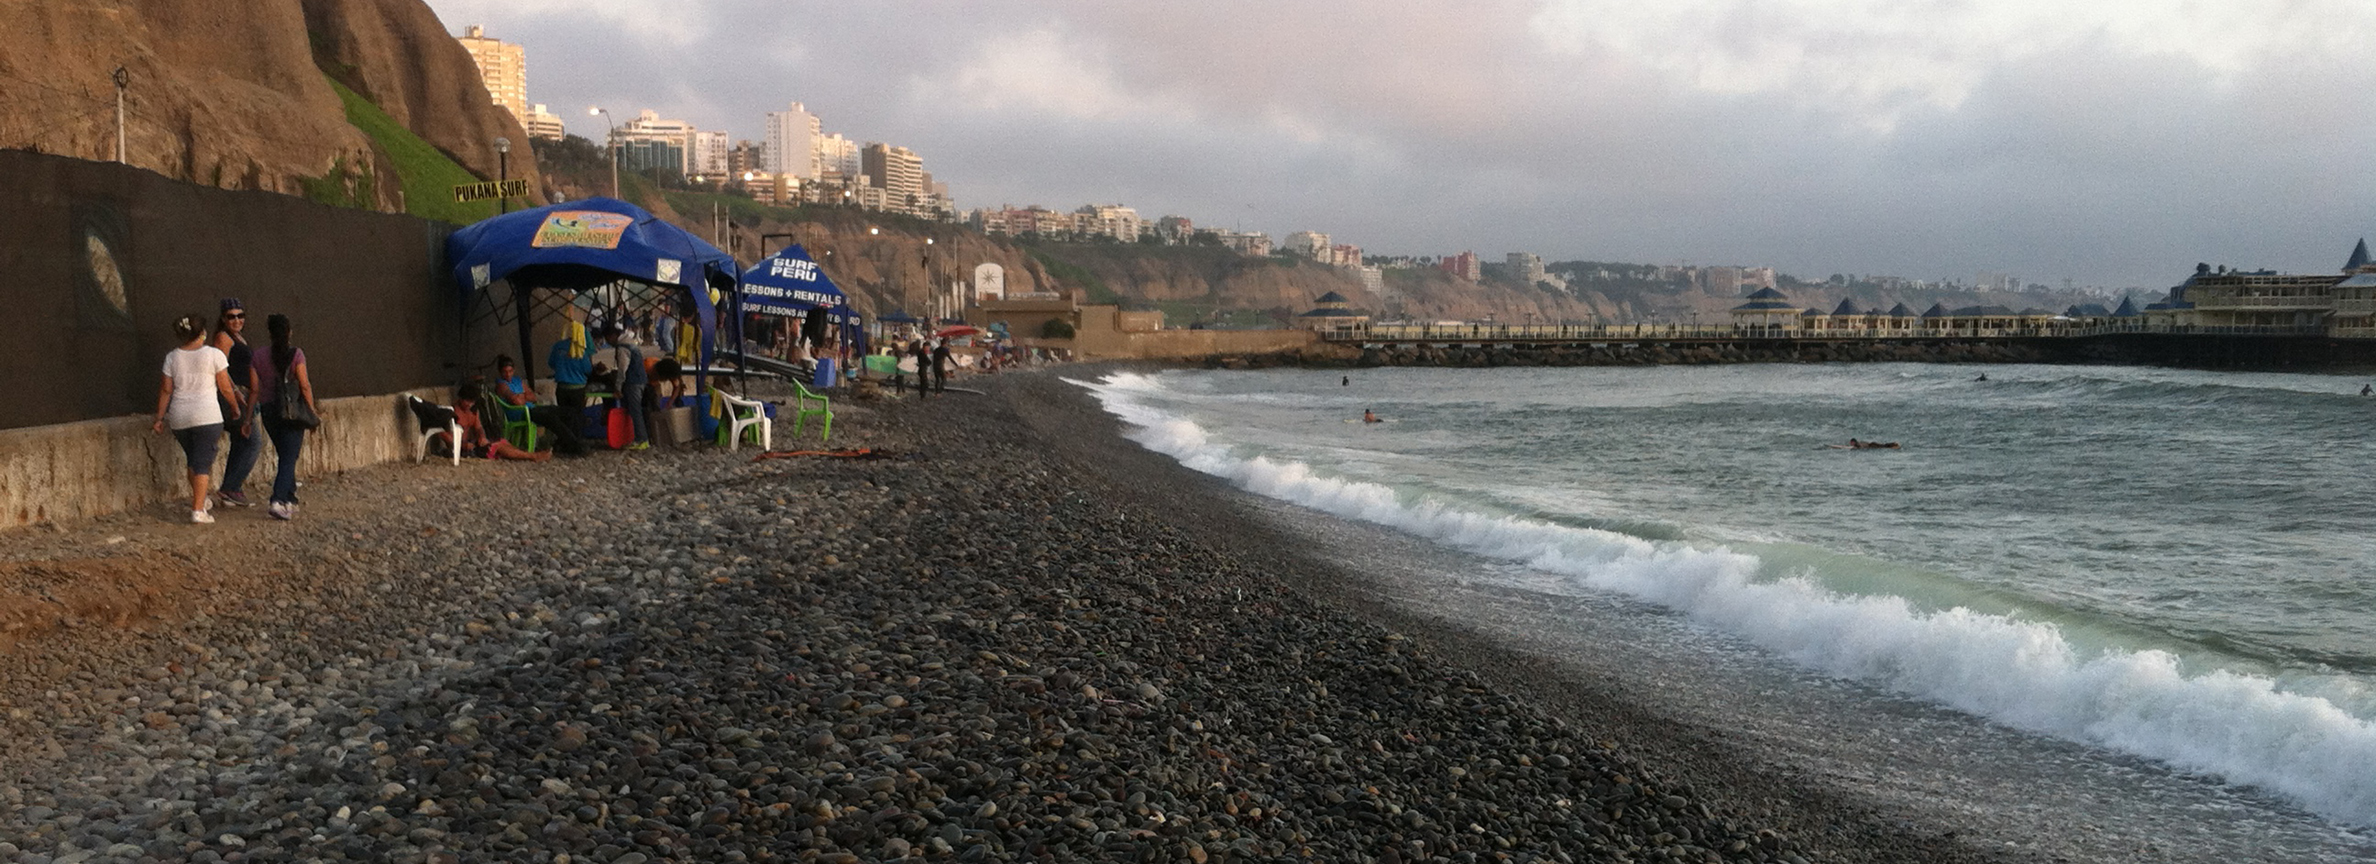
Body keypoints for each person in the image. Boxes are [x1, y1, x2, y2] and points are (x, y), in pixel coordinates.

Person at [154, 314, 240, 524]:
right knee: (202, 463)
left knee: (193, 459)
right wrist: (235, 406)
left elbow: (166, 390)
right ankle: (198, 509)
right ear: (203, 333)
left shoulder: (172, 357)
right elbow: (225, 386)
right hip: (207, 415)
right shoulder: (214, 354)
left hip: (179, 417)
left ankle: (200, 499)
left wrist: (159, 417)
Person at [249, 314, 317, 520]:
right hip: (291, 412)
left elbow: (254, 389)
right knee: (289, 457)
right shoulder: (296, 355)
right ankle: (277, 499)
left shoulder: (258, 356)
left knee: (285, 454)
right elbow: (304, 384)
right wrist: (312, 411)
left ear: (269, 333)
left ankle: (290, 498)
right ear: (289, 332)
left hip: (269, 411)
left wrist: (247, 418)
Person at [209, 298, 263, 508]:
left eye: (240, 316)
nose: (237, 320)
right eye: (231, 317)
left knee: (242, 441)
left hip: (247, 395)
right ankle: (231, 487)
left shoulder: (238, 337)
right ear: (223, 319)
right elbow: (220, 367)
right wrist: (233, 392)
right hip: (235, 396)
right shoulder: (223, 338)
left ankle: (231, 488)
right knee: (252, 441)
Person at [491, 355, 588, 456]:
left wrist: (521, 396)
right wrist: (523, 396)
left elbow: (533, 397)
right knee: (550, 418)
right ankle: (575, 445)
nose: (508, 374)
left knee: (568, 412)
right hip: (521, 413)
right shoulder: (501, 385)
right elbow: (517, 402)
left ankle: (568, 443)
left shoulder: (517, 380)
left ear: (514, 370)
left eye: (510, 371)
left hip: (532, 408)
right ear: (500, 372)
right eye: (505, 372)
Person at [453, 386, 550, 461]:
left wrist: (481, 436)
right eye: (467, 401)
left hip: (473, 443)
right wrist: (462, 445)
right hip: (463, 448)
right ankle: (532, 456)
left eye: (472, 402)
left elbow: (478, 427)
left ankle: (523, 454)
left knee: (502, 441)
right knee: (496, 446)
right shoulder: (453, 412)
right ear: (461, 398)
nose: (470, 404)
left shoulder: (473, 411)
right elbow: (446, 435)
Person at [606, 325, 651, 450]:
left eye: (608, 339)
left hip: (633, 382)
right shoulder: (631, 343)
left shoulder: (623, 348)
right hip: (641, 380)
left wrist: (618, 387)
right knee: (635, 410)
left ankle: (642, 440)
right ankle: (637, 437)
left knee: (635, 411)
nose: (608, 342)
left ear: (613, 336)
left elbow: (622, 370)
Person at [548, 320, 595, 422]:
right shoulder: (580, 349)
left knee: (564, 416)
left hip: (562, 388)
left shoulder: (558, 346)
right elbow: (588, 369)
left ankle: (565, 437)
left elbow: (551, 363)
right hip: (577, 389)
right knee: (576, 417)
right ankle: (576, 437)